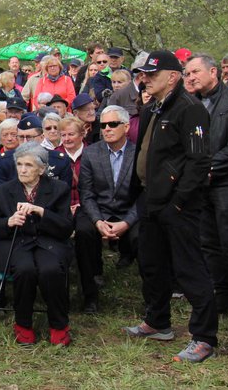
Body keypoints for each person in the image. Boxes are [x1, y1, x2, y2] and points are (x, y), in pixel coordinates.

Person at [124, 50, 217, 363]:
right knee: (152, 263)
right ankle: (158, 321)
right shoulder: (154, 106)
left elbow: (199, 160)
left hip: (178, 204)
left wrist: (178, 202)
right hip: (150, 199)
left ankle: (204, 337)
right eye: (144, 74)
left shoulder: (190, 109)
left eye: (152, 74)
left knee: (189, 268)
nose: (145, 78)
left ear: (172, 76)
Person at [184, 53, 228, 327]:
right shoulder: (190, 104)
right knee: (208, 243)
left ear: (213, 72)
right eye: (187, 74)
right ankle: (222, 295)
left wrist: (211, 165)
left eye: (195, 72)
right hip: (201, 185)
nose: (190, 77)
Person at [0, 141, 74, 346]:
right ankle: (23, 324)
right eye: (19, 164)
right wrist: (8, 222)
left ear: (42, 169)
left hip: (48, 242)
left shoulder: (59, 189)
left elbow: (66, 227)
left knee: (50, 269)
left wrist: (41, 211)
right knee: (25, 270)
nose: (23, 170)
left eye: (29, 165)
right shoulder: (4, 190)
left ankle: (59, 325)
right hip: (17, 242)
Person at [75, 106, 137, 314]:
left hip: (128, 212)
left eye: (113, 124)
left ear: (126, 127)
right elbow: (87, 192)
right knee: (83, 231)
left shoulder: (138, 154)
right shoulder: (91, 153)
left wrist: (127, 222)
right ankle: (90, 293)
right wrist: (97, 220)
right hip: (98, 210)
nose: (107, 129)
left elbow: (144, 196)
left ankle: (153, 297)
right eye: (103, 125)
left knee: (146, 234)